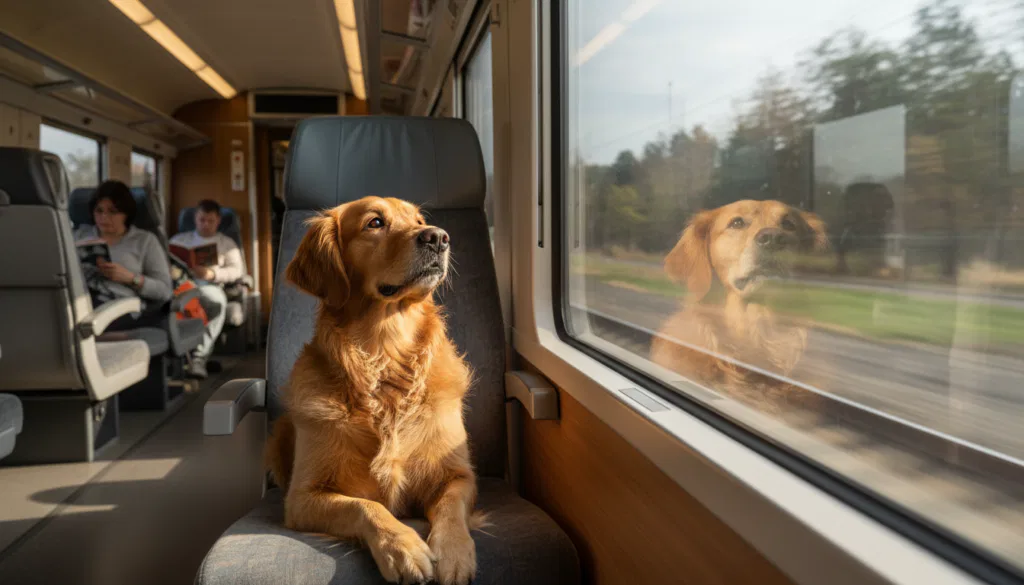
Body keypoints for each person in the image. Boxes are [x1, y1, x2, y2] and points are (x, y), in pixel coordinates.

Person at [74, 180, 173, 329]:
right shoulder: (79, 235)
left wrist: (130, 278)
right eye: (99, 211)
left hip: (120, 306)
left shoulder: (145, 240)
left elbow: (165, 291)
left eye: (112, 211)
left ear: (126, 214)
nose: (104, 217)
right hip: (80, 301)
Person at [169, 199, 246, 378]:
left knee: (216, 303)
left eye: (210, 221)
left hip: (209, 285)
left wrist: (211, 274)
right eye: (201, 219)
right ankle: (174, 356)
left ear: (218, 221)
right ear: (195, 218)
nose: (205, 224)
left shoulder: (227, 243)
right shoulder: (178, 240)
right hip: (180, 285)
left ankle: (198, 358)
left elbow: (237, 271)